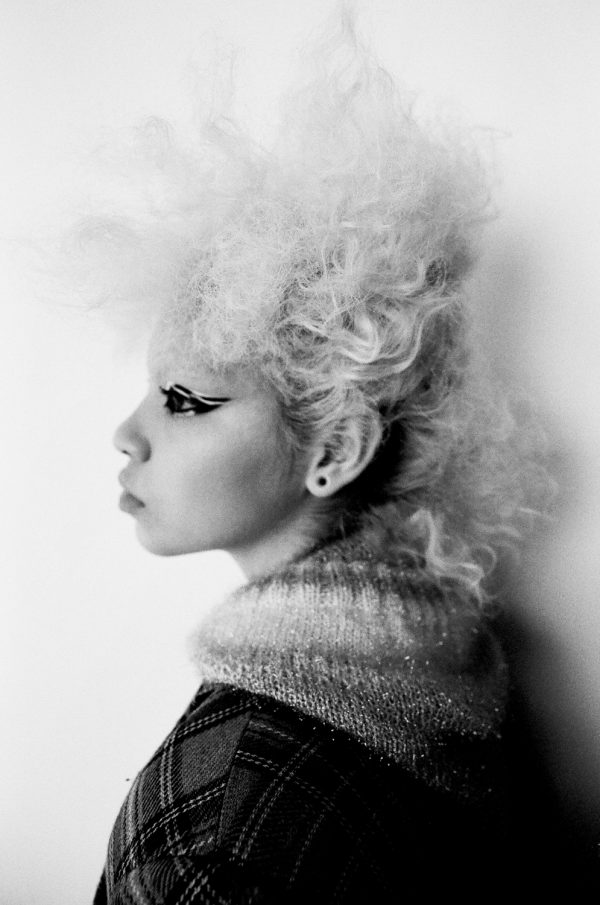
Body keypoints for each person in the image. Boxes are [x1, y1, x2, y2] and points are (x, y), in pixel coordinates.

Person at [86, 13, 552, 904]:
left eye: (186, 400)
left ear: (335, 448)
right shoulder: (455, 667)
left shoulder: (213, 838)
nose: (126, 433)